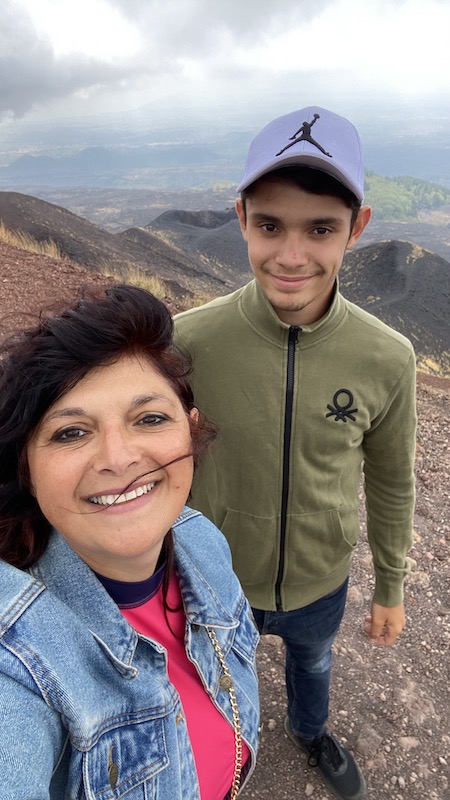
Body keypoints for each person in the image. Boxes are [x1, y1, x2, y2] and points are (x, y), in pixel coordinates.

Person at [174, 106, 416, 800]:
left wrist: (392, 587)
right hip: (216, 577)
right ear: (241, 216)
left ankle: (310, 735)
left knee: (312, 665)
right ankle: (229, 748)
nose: (290, 255)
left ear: (357, 228)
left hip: (319, 576)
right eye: (270, 225)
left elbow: (394, 482)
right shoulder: (188, 341)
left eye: (320, 229)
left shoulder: (387, 358)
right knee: (222, 672)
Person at [0, 284, 260, 800]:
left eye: (149, 419)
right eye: (71, 432)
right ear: (26, 468)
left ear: (190, 431)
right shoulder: (17, 664)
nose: (118, 459)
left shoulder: (199, 539)